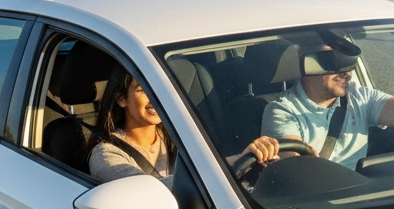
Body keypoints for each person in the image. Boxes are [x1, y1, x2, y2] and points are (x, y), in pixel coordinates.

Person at [261, 41, 394, 170]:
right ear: (309, 65)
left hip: (358, 198)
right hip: (315, 202)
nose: (347, 74)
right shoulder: (282, 110)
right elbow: (298, 167)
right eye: (335, 64)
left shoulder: (359, 97)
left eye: (349, 65)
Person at [88, 66, 280, 183]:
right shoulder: (106, 154)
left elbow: (207, 166)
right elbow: (148, 193)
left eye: (158, 89)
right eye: (142, 90)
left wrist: (251, 159)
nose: (155, 98)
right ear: (122, 99)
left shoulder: (178, 136)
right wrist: (234, 163)